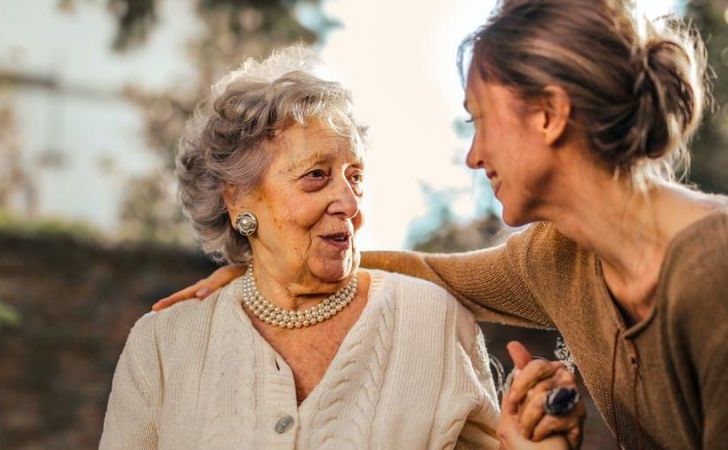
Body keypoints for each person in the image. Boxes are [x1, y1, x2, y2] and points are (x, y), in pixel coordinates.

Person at [153, 1, 728, 449]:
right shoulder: (558, 257)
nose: (474, 156)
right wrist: (269, 264)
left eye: (481, 120)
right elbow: (431, 272)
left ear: (549, 115)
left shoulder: (712, 269)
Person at [100, 48, 573, 449]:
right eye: (316, 176)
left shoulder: (433, 321)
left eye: (356, 177)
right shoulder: (163, 345)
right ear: (239, 198)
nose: (348, 203)